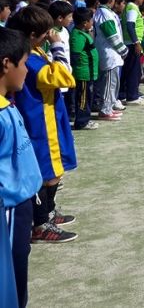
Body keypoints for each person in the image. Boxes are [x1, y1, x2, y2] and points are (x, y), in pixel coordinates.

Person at [6, 6, 78, 244]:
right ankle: (40, 223)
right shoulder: (33, 60)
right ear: (33, 34)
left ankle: (47, 212)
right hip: (39, 120)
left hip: (46, 114)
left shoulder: (32, 52)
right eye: (46, 32)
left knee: (51, 170)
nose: (50, 35)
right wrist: (58, 46)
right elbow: (65, 77)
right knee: (47, 171)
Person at [0, 27, 43, 307]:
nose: (27, 71)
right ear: (6, 63)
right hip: (9, 209)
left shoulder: (6, 104)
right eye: (25, 63)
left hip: (21, 204)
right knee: (10, 285)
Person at [92, 0, 127, 121]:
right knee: (109, 84)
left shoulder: (105, 12)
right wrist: (123, 49)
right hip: (109, 54)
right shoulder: (104, 14)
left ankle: (109, 107)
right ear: (112, 0)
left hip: (112, 55)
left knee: (112, 83)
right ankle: (105, 110)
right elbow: (111, 35)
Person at [69, 9, 99, 130]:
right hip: (83, 74)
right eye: (91, 20)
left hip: (88, 73)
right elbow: (75, 55)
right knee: (83, 99)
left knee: (87, 97)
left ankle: (85, 119)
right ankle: (81, 122)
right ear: (85, 22)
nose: (92, 22)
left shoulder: (83, 33)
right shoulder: (77, 36)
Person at [120, 0, 144, 104]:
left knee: (128, 69)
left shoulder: (131, 7)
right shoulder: (132, 8)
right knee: (133, 70)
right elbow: (130, 26)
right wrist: (136, 42)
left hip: (129, 42)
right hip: (131, 43)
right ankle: (132, 96)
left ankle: (124, 94)